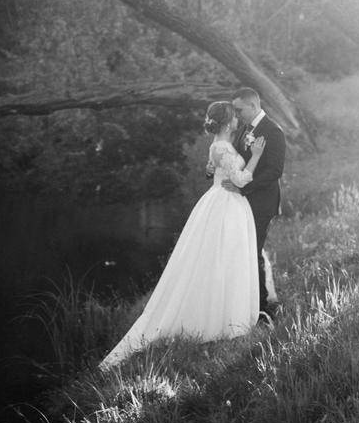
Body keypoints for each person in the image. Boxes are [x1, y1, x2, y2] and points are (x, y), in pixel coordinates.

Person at [98, 99, 265, 370]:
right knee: (223, 257)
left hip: (227, 203)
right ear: (226, 122)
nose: (238, 120)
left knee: (225, 258)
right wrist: (256, 155)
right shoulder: (221, 146)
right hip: (225, 204)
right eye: (234, 117)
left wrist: (217, 167)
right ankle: (219, 319)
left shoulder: (222, 145)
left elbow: (218, 169)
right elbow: (241, 180)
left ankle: (226, 316)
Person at [230, 87, 286, 322]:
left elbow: (274, 171)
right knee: (244, 251)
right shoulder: (244, 128)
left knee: (254, 251)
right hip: (241, 202)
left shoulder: (273, 131)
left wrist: (244, 187)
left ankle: (262, 309)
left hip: (261, 202)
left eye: (239, 109)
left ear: (253, 106)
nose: (237, 113)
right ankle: (247, 302)